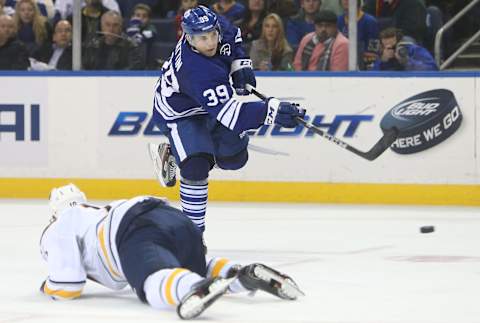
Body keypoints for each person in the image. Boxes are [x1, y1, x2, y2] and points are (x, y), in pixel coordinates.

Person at [148, 6, 305, 241]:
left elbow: (235, 37)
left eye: (212, 34)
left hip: (210, 107)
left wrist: (240, 64)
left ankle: (179, 153)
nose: (211, 42)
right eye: (203, 38)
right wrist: (270, 110)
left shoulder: (217, 25)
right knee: (196, 166)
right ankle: (191, 235)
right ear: (188, 38)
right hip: (181, 114)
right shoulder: (195, 68)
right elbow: (233, 116)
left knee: (235, 159)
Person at [39, 184, 304, 320]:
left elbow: (67, 286)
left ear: (54, 211)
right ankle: (241, 274)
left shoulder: (61, 224)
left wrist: (47, 288)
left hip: (134, 231)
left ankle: (194, 286)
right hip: (172, 217)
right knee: (196, 264)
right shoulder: (96, 212)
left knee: (153, 280)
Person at [337, 0, 379, 70]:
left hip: (364, 67)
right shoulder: (338, 21)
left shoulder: (370, 22)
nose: (347, 1)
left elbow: (373, 52)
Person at [371, 27, 437, 71]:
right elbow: (370, 77)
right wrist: (383, 61)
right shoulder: (381, 57)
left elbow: (432, 69)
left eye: (393, 46)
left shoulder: (414, 50)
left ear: (400, 43)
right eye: (387, 47)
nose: (391, 50)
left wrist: (406, 61)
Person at [125, 3, 157, 68]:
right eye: (138, 15)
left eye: (144, 16)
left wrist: (134, 34)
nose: (140, 18)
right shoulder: (127, 29)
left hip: (146, 65)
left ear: (148, 19)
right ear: (132, 17)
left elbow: (142, 38)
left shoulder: (151, 29)